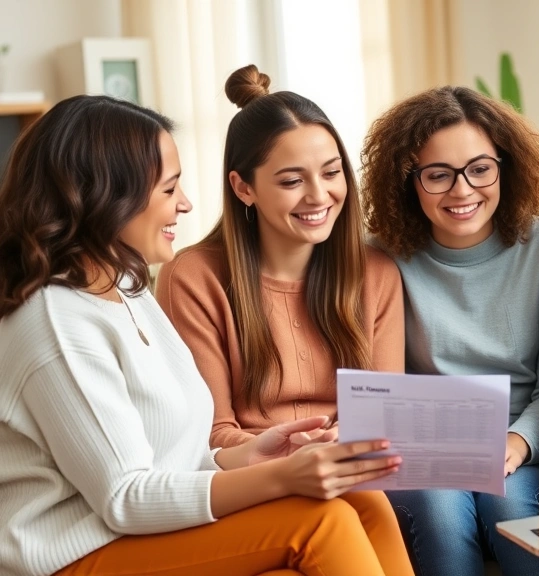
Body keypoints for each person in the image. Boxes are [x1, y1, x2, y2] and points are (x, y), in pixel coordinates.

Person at [0, 95, 412, 576]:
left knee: (363, 499)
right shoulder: (57, 324)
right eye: (169, 189)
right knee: (321, 523)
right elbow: (125, 497)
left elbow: (175, 454)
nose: (186, 203)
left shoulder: (127, 289)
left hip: (136, 532)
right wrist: (282, 477)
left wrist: (249, 456)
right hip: (76, 552)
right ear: (103, 198)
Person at [360, 85, 539, 576]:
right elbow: (379, 386)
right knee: (437, 509)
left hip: (521, 443)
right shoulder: (378, 256)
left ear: (506, 166)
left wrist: (517, 443)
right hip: (424, 451)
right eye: (438, 175)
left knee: (509, 510)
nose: (462, 190)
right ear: (408, 180)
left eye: (480, 169)